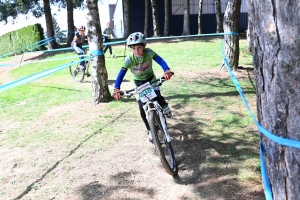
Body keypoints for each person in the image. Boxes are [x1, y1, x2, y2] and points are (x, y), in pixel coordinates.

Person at [113, 32, 173, 142]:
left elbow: (160, 60)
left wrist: (166, 70)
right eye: (134, 48)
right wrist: (116, 88)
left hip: (151, 79)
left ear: (144, 46)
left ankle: (164, 106)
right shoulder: (129, 59)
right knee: (141, 108)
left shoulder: (149, 52)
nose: (137, 51)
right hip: (139, 83)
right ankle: (150, 130)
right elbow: (121, 73)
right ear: (130, 48)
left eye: (139, 47)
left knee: (156, 96)